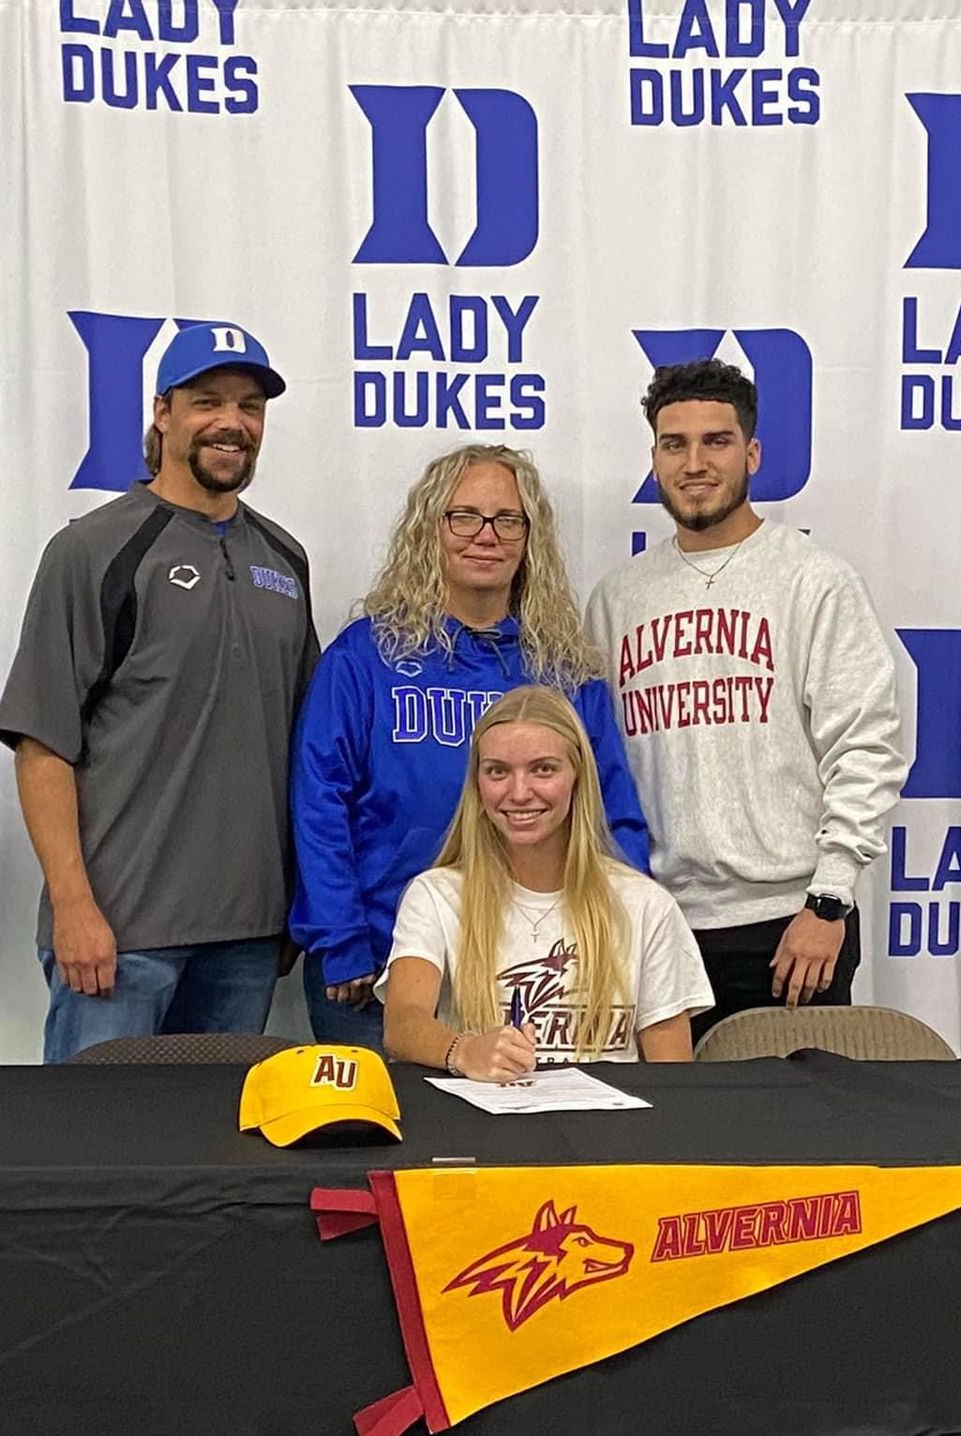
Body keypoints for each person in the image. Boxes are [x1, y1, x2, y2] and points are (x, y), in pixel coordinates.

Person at [0, 321, 317, 1063]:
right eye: (208, 401)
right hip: (121, 936)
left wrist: (292, 909)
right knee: (92, 1162)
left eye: (250, 406)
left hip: (246, 938)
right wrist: (74, 906)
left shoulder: (284, 559)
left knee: (215, 1166)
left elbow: (303, 749)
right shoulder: (94, 550)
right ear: (163, 413)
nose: (232, 422)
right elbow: (42, 744)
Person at [585, 357, 905, 1040]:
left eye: (716, 441)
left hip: (790, 926)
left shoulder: (814, 581)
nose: (694, 462)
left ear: (752, 453)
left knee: (792, 1141)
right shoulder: (617, 599)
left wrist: (828, 900)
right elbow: (597, 767)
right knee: (667, 1141)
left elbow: (867, 747)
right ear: (655, 458)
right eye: (675, 444)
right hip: (654, 923)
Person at [290, 445, 649, 1050]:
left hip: (533, 973)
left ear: (530, 538)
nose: (487, 535)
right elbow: (318, 802)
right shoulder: (366, 656)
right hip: (380, 965)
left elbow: (612, 809)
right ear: (431, 529)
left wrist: (621, 928)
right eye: (464, 517)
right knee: (382, 1141)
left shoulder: (562, 667)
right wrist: (342, 940)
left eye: (508, 520)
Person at [380, 686, 710, 1078]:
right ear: (477, 783)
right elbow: (402, 1023)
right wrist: (465, 1052)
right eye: (498, 771)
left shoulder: (645, 905)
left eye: (543, 769)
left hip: (612, 1135)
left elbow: (675, 1080)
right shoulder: (436, 895)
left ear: (578, 777)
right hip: (484, 1132)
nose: (519, 793)